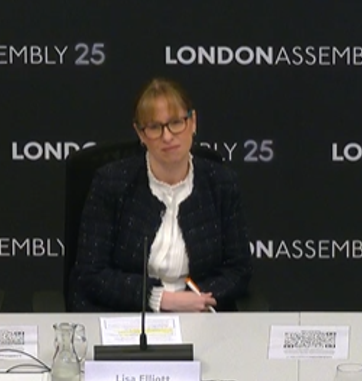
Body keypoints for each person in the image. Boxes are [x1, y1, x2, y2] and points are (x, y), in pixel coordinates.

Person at [70, 77, 252, 313]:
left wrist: (199, 298)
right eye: (155, 127)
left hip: (199, 314)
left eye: (176, 122)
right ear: (141, 134)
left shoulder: (221, 183)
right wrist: (160, 299)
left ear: (193, 122)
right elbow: (91, 274)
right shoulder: (112, 183)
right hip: (125, 315)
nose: (167, 137)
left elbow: (239, 270)